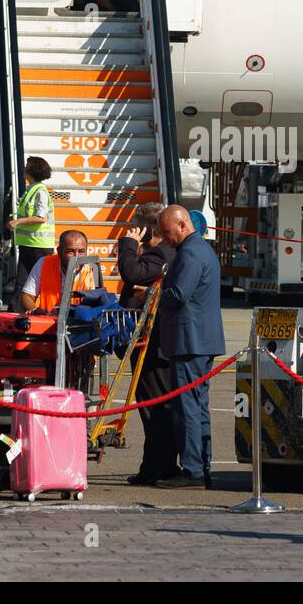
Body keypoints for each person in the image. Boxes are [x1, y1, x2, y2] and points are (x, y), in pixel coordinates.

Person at [154, 205, 225, 489]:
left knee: (188, 408)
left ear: (182, 226)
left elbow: (179, 293)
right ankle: (200, 465)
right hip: (198, 339)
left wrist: (156, 293)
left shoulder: (191, 252)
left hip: (190, 341)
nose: (165, 239)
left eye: (167, 232)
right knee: (198, 405)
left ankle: (194, 469)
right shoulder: (201, 249)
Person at [116, 202, 178, 485]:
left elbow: (132, 273)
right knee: (152, 404)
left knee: (154, 405)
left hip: (153, 344)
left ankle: (161, 466)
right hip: (155, 341)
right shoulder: (163, 253)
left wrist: (128, 243)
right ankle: (152, 466)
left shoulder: (159, 253)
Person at [8, 157, 55, 311]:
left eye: (27, 166)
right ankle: (15, 312)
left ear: (33, 170)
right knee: (21, 281)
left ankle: (43, 310)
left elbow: (41, 218)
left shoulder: (40, 191)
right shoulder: (31, 189)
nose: (24, 169)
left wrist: (17, 222)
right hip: (28, 244)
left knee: (42, 281)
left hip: (39, 246)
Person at [19, 230, 95, 312]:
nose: (76, 257)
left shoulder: (89, 269)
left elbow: (92, 304)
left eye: (81, 251)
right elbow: (27, 296)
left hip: (74, 322)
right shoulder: (44, 263)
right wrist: (34, 310)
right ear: (59, 252)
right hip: (46, 321)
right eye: (70, 251)